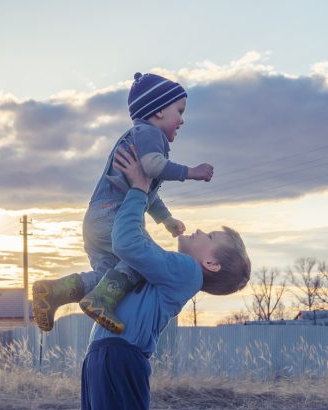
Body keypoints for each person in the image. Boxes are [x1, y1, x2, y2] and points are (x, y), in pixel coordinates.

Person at [81, 146, 251, 410]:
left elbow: (128, 243)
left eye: (210, 237)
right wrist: (151, 204)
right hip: (107, 354)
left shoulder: (187, 271)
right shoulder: (173, 272)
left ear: (211, 264)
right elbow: (135, 249)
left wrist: (139, 188)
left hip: (119, 357)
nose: (199, 230)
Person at [33, 72, 214, 334]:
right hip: (113, 215)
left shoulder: (140, 136)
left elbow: (148, 191)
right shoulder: (150, 134)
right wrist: (191, 172)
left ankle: (53, 291)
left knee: (109, 275)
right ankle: (100, 301)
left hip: (97, 219)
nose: (182, 120)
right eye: (180, 110)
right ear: (159, 110)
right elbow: (153, 167)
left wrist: (165, 219)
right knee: (140, 257)